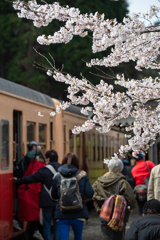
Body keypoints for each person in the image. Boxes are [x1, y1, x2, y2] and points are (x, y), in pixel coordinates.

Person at [14, 150, 61, 240]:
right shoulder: (63, 169)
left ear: (48, 159)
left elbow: (31, 178)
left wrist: (18, 180)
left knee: (46, 225)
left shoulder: (44, 170)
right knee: (57, 225)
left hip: (47, 202)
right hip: (59, 202)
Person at [92, 154, 136, 240]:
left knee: (107, 236)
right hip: (119, 215)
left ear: (109, 167)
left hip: (103, 212)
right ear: (120, 169)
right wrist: (129, 208)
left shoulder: (98, 181)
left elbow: (92, 194)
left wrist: (103, 201)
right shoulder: (122, 182)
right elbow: (131, 199)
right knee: (119, 237)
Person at [52, 153, 94, 240]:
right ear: (77, 163)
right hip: (78, 213)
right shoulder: (82, 176)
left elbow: (54, 195)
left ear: (63, 162)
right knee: (78, 237)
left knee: (64, 238)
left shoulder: (57, 177)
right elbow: (90, 194)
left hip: (62, 213)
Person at [15, 141, 46, 240]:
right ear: (33, 147)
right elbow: (29, 155)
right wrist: (37, 150)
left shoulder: (31, 160)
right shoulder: (28, 159)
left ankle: (33, 232)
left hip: (30, 189)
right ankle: (29, 233)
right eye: (37, 147)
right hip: (27, 189)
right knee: (30, 213)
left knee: (32, 213)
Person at [131, 150, 155, 215]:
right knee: (151, 207)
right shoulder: (149, 163)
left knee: (141, 208)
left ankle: (142, 218)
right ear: (143, 157)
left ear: (135, 159)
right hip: (149, 189)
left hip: (139, 191)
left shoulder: (133, 169)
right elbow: (156, 172)